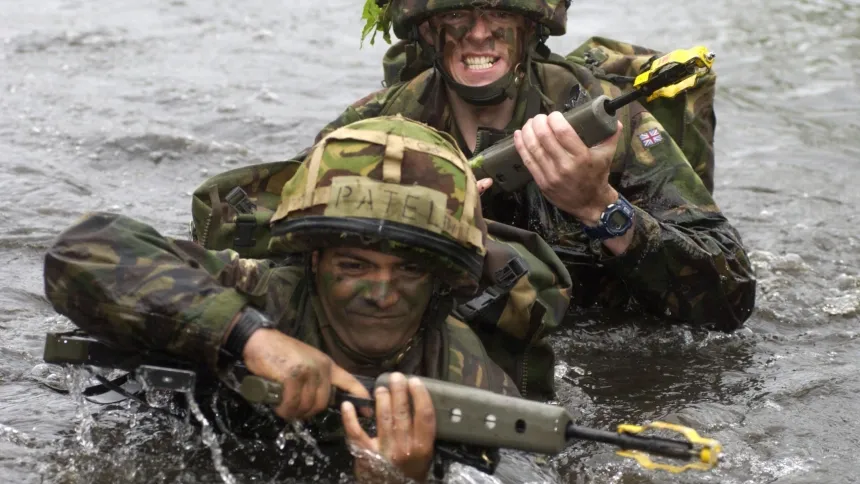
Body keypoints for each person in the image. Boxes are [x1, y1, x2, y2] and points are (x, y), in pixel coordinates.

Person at [43, 116, 571, 482]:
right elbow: (82, 250)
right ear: (313, 261)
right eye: (353, 265)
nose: (381, 294)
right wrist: (249, 337)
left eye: (409, 269)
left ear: (441, 283)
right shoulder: (258, 293)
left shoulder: (467, 379)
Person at [286, 0, 756, 331]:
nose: (478, 32)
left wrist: (599, 206)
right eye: (455, 13)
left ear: (532, 26)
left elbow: (731, 300)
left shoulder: (607, 118)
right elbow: (284, 262)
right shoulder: (374, 130)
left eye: (499, 12)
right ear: (426, 29)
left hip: (602, 348)